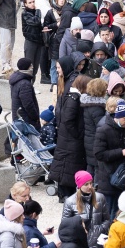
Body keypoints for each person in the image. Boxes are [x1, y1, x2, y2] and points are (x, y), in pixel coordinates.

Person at [94, 101, 125, 219]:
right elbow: (99, 154)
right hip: (107, 177)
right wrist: (121, 152)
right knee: (108, 212)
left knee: (119, 212)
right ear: (117, 117)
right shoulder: (103, 130)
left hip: (122, 176)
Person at [49, 71, 88, 203]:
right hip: (70, 140)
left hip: (68, 139)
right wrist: (77, 134)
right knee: (68, 167)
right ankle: (64, 194)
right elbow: (68, 119)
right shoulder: (74, 99)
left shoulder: (73, 97)